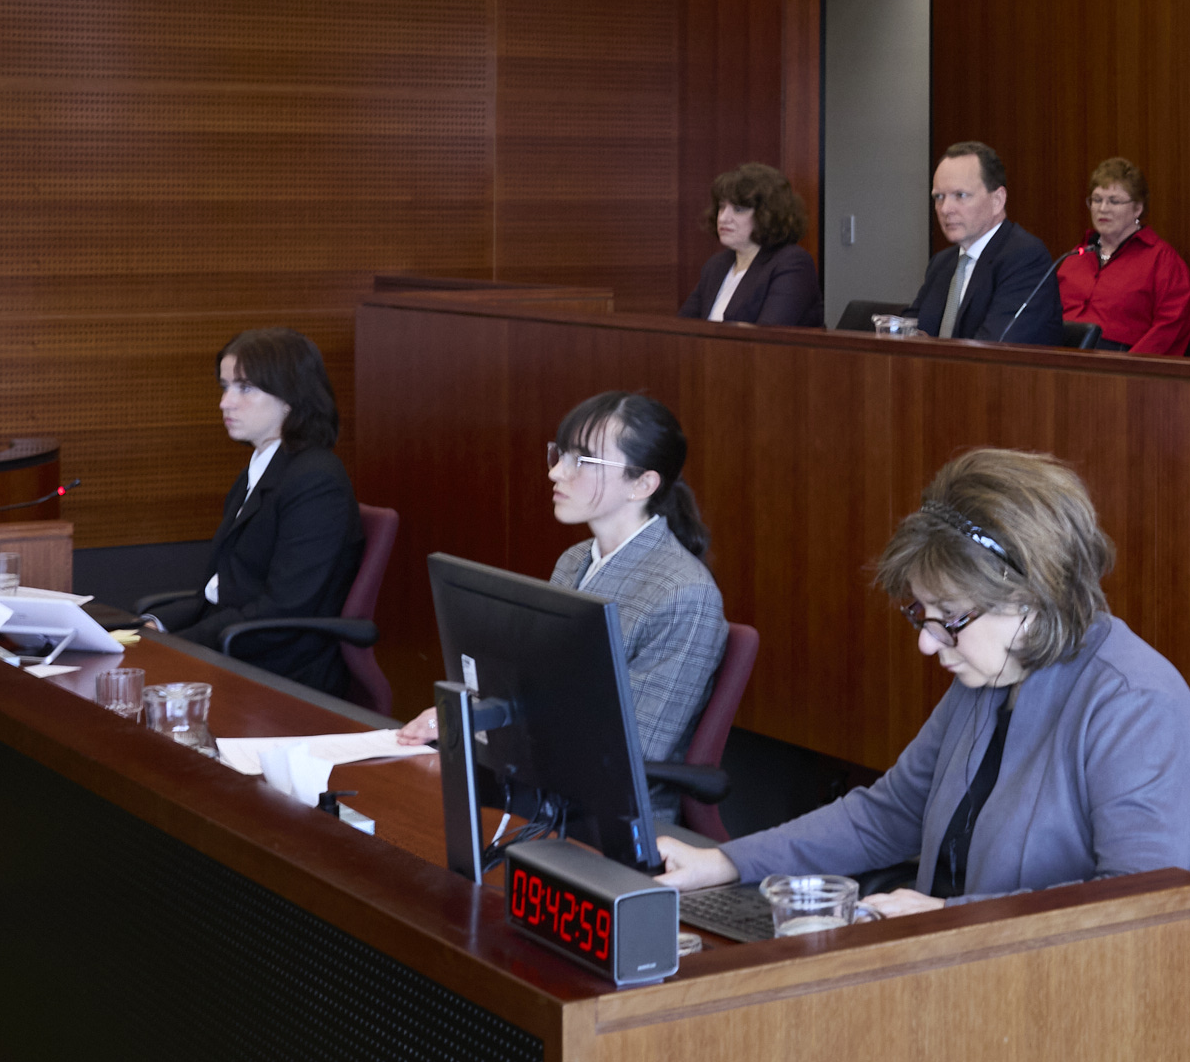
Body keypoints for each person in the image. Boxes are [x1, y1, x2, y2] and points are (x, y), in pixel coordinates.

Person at [656, 449, 1190, 1062]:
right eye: (921, 614)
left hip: (1138, 1014)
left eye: (950, 619)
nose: (927, 641)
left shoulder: (1134, 704)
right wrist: (728, 863)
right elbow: (888, 814)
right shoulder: (989, 674)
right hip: (989, 979)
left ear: (1029, 597)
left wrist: (951, 920)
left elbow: (1139, 911)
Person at [396, 392, 725, 826]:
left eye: (583, 461)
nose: (555, 471)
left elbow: (634, 750)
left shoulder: (684, 594)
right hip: (537, 787)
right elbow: (531, 686)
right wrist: (462, 715)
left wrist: (485, 727)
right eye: (560, 454)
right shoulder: (574, 560)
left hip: (605, 821)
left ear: (642, 484)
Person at [145, 328, 367, 698]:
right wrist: (154, 626)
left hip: (280, 670)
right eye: (225, 386)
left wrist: (177, 644)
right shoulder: (264, 466)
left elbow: (281, 611)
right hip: (235, 646)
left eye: (245, 388)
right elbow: (224, 590)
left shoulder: (316, 481)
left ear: (290, 398)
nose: (225, 403)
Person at [908, 141, 1065, 345]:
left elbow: (993, 347)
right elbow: (908, 329)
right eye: (939, 197)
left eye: (960, 195)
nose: (945, 208)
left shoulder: (1025, 258)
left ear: (997, 200)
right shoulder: (942, 263)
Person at [1057, 156, 1190, 355]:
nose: (1103, 208)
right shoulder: (1073, 258)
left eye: (1114, 201)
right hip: (1059, 358)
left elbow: (1171, 326)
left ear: (1137, 208)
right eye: (1097, 200)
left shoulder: (1162, 260)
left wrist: (1128, 369)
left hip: (1122, 364)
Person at [681, 162, 821, 327]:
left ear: (767, 214)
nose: (724, 218)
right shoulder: (716, 265)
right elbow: (684, 328)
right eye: (722, 207)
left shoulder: (792, 263)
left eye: (739, 209)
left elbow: (767, 337)